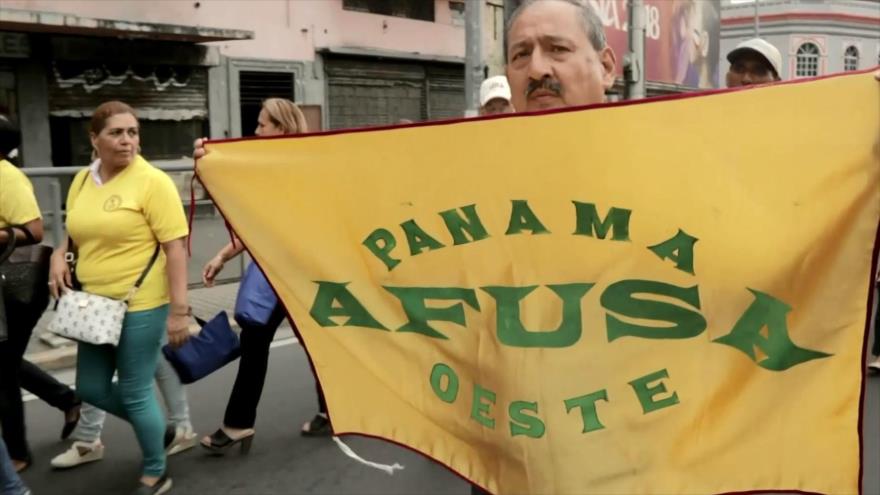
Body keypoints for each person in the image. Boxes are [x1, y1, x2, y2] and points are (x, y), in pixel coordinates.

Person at [48, 101, 190, 495]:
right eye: (116, 133)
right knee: (91, 387)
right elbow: (73, 231)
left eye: (133, 132)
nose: (127, 141)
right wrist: (59, 256)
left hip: (141, 304)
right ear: (94, 140)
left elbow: (176, 248)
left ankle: (156, 470)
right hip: (94, 307)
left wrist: (180, 311)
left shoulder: (152, 181)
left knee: (134, 388)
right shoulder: (81, 179)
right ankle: (162, 430)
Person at [196, 98, 331, 456]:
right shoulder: (269, 169)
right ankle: (241, 422)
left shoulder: (303, 170)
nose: (255, 131)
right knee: (264, 343)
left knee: (311, 345)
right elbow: (258, 226)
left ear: (282, 129)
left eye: (262, 125)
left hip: (299, 277)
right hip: (274, 276)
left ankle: (243, 423)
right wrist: (223, 254)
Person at [0, 114, 58, 474]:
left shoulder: (7, 175)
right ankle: (67, 399)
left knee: (2, 368)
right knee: (5, 363)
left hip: (15, 288)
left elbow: (34, 230)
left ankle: (17, 454)